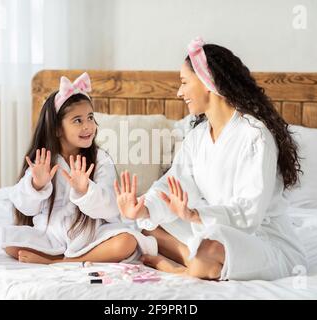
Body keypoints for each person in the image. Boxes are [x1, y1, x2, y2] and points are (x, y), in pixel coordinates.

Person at [114, 37, 307, 281]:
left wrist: (195, 215)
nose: (179, 92)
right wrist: (144, 207)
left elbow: (250, 213)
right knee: (148, 227)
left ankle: (182, 268)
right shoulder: (198, 137)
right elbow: (173, 183)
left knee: (209, 248)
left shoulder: (254, 136)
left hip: (262, 241)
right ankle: (192, 260)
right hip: (215, 230)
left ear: (208, 82)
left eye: (184, 83)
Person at [0, 72, 157, 264]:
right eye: (78, 120)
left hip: (92, 235)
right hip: (52, 235)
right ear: (57, 128)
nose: (88, 126)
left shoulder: (101, 159)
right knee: (9, 242)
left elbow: (110, 207)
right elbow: (25, 207)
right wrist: (37, 185)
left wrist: (85, 191)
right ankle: (58, 254)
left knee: (127, 242)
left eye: (90, 117)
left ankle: (60, 262)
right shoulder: (44, 162)